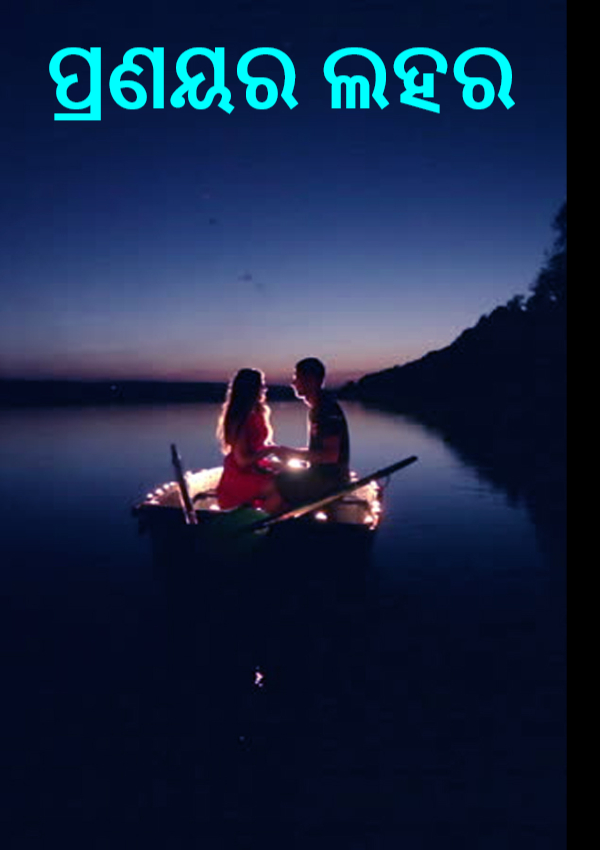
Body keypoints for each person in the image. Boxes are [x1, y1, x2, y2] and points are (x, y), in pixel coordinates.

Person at [275, 357, 350, 507]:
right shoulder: (320, 407)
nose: (293, 383)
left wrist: (292, 454)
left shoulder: (326, 410)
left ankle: (271, 521)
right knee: (279, 472)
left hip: (329, 482)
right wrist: (289, 454)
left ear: (311, 380)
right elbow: (320, 452)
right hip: (324, 477)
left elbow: (330, 456)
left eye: (296, 377)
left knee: (274, 482)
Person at [216, 369, 286, 512]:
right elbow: (242, 461)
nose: (264, 389)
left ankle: (276, 521)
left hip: (255, 468)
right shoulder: (239, 418)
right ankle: (258, 522)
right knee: (283, 488)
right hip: (239, 476)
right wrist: (272, 450)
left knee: (291, 475)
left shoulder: (258, 413)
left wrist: (280, 455)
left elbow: (261, 447)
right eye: (261, 385)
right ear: (251, 389)